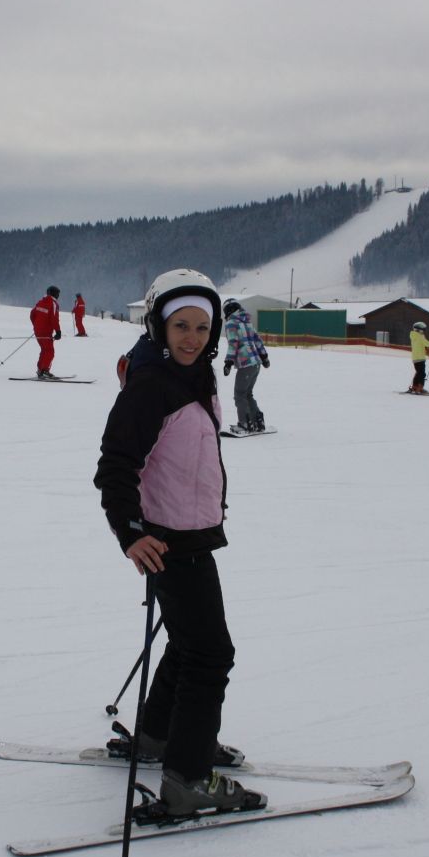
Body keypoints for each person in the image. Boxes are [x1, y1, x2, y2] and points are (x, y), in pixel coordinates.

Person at [94, 268, 266, 819]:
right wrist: (130, 532)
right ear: (158, 327)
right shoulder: (154, 384)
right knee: (210, 654)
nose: (192, 337)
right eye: (180, 326)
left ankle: (160, 734)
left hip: (189, 531)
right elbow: (116, 465)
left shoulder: (193, 376)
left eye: (201, 327)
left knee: (189, 642)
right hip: (169, 539)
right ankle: (188, 777)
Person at [220, 298, 271, 433]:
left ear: (228, 310)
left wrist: (228, 362)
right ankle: (258, 422)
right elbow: (258, 340)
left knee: (239, 394)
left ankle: (244, 424)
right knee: (247, 394)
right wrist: (264, 357)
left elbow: (233, 344)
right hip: (256, 364)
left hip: (246, 364)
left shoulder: (231, 323)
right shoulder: (247, 322)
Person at [31, 285, 63, 379]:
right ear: (54, 294)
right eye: (58, 294)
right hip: (46, 332)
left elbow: (32, 314)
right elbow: (54, 319)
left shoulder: (40, 302)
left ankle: (40, 370)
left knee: (44, 350)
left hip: (37, 331)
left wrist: (36, 325)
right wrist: (58, 331)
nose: (58, 296)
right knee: (49, 351)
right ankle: (45, 370)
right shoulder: (53, 303)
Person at [408, 321, 429, 393]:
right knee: (422, 374)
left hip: (415, 358)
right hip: (420, 358)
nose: (423, 332)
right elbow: (428, 344)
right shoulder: (420, 337)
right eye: (422, 330)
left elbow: (423, 344)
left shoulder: (413, 336)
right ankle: (420, 388)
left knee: (418, 373)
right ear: (419, 330)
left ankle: (414, 387)